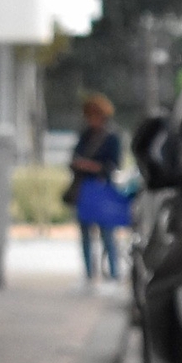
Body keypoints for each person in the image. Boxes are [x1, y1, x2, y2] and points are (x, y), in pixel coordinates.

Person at [66, 93, 130, 285]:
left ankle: (113, 271)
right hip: (84, 188)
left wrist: (92, 166)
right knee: (85, 232)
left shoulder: (112, 137)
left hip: (102, 187)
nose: (91, 120)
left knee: (107, 232)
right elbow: (74, 158)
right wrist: (79, 164)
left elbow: (115, 164)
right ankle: (88, 272)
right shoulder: (85, 135)